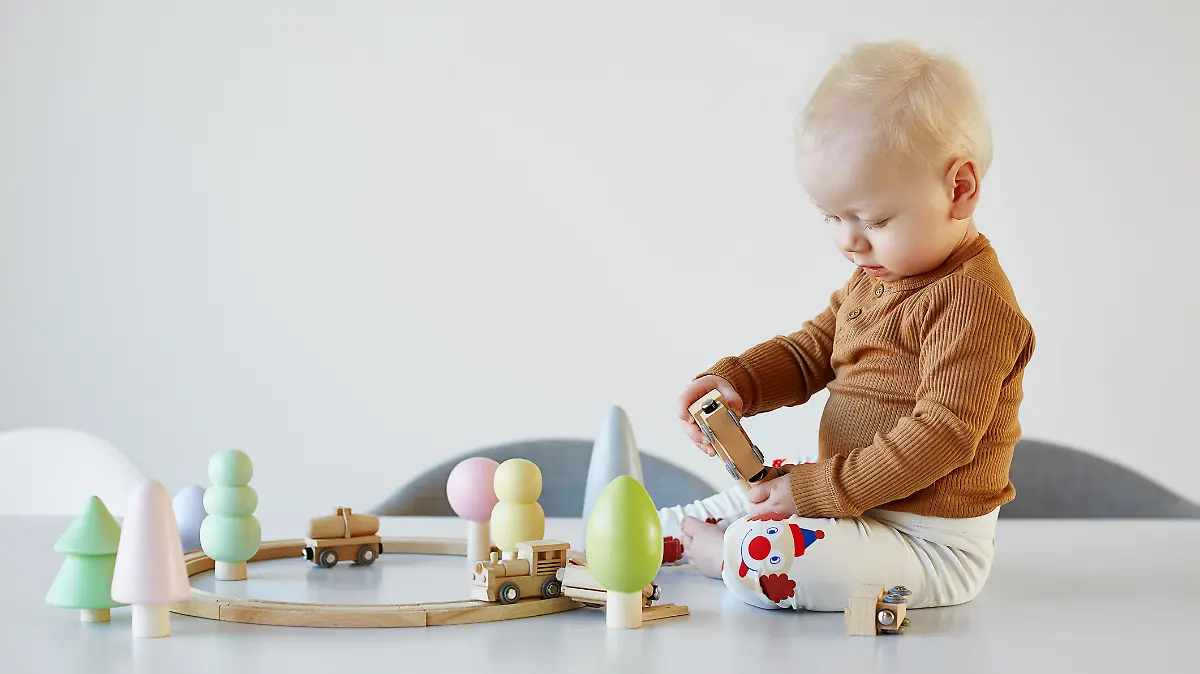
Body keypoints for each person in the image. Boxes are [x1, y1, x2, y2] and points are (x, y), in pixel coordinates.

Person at [658, 39, 1036, 612]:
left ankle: (727, 559)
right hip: (851, 504)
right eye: (832, 217)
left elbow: (943, 434)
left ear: (960, 188)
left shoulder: (975, 305)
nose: (848, 241)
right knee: (706, 512)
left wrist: (811, 491)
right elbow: (813, 351)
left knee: (762, 549)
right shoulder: (879, 274)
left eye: (875, 219)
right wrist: (741, 383)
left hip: (928, 542)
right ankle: (636, 540)